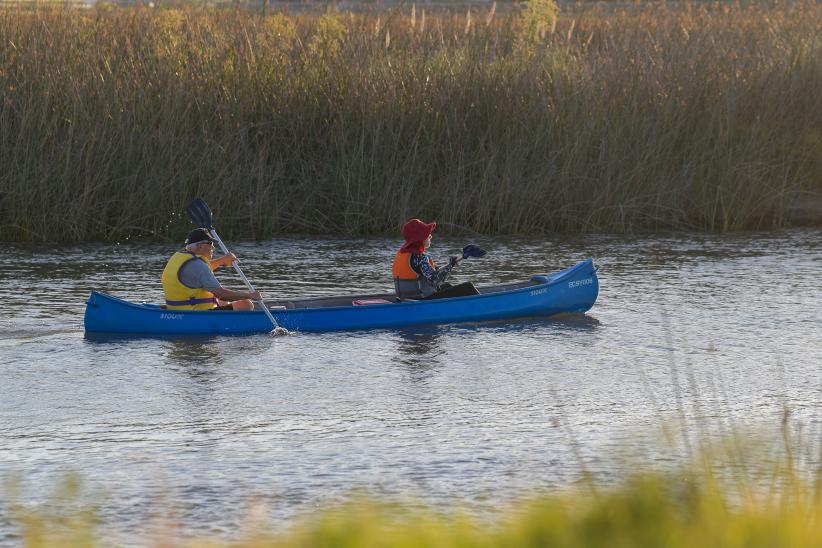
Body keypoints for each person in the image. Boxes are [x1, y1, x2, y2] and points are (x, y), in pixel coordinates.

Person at [161, 228, 261, 311]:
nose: (213, 248)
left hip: (175, 309)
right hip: (195, 314)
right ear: (200, 246)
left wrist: (223, 260)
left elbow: (199, 273)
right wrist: (250, 295)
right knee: (247, 304)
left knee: (223, 302)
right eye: (210, 244)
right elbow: (221, 294)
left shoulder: (179, 258)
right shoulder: (198, 265)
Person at [391, 218, 479, 300]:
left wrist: (451, 263)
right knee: (468, 287)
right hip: (422, 301)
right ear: (419, 239)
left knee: (446, 286)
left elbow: (432, 273)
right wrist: (451, 265)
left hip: (406, 300)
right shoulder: (420, 257)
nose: (430, 236)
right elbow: (436, 280)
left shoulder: (403, 254)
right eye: (427, 234)